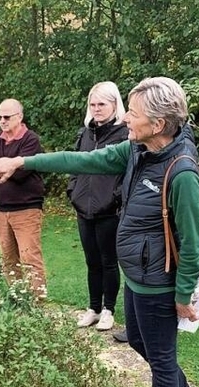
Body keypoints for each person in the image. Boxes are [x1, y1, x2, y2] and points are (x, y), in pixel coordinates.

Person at [0, 77, 199, 387]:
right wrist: (23, 160)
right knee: (139, 342)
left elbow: (194, 240)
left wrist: (183, 293)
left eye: (133, 114)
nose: (126, 118)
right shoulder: (139, 151)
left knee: (162, 357)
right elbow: (84, 160)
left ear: (157, 124)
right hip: (137, 275)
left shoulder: (181, 172)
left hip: (159, 282)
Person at [68, 81, 130, 332]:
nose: (97, 109)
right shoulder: (85, 133)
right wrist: (73, 191)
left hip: (109, 210)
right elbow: (75, 165)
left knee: (108, 261)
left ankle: (108, 309)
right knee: (91, 261)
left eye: (102, 104)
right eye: (93, 104)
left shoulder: (123, 134)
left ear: (114, 105)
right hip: (84, 208)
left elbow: (126, 172)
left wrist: (115, 196)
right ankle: (93, 308)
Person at [0, 98, 46, 298]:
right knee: (8, 259)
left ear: (20, 117)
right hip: (2, 210)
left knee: (29, 257)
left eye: (7, 117)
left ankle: (37, 302)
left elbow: (21, 172)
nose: (2, 121)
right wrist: (2, 165)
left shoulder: (30, 140)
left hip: (27, 209)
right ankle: (17, 298)